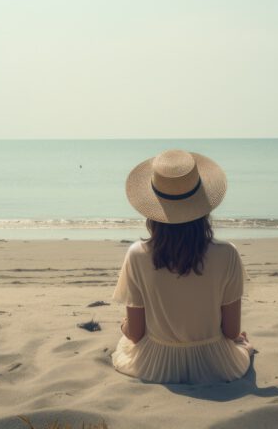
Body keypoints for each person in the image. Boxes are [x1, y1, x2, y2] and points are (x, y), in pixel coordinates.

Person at [111, 149, 253, 384]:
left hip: (156, 364)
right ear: (203, 206)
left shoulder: (137, 254)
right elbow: (231, 331)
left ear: (152, 211)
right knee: (243, 345)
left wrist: (124, 325)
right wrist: (243, 345)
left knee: (124, 344)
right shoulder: (227, 254)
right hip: (216, 364)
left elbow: (135, 334)